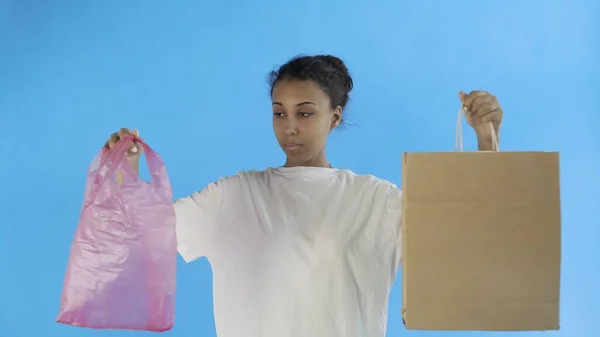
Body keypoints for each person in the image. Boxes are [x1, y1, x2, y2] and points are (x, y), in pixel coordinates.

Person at [105, 55, 504, 337]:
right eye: (279, 112)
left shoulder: (376, 200)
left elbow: (465, 246)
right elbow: (148, 232)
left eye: (305, 112)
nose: (289, 126)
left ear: (335, 115)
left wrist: (487, 141)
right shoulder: (234, 196)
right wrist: (128, 171)